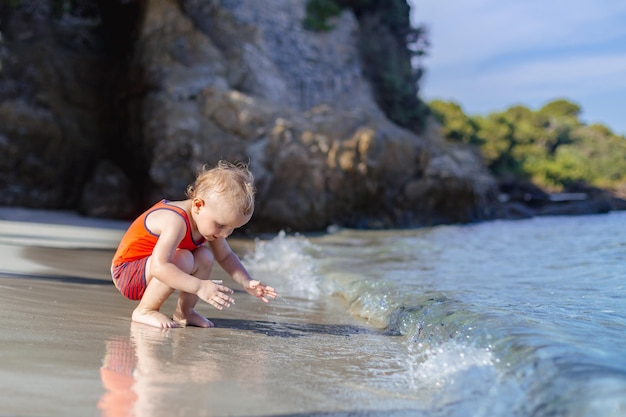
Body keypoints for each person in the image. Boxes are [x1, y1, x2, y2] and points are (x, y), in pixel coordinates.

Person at [110, 160, 277, 329]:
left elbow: (225, 256)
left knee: (205, 256)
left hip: (148, 270)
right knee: (183, 257)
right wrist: (199, 286)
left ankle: (185, 312)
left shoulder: (209, 222)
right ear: (198, 205)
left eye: (232, 228)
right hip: (127, 274)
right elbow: (159, 267)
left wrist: (246, 281)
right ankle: (145, 310)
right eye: (221, 225)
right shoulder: (176, 221)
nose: (225, 234)